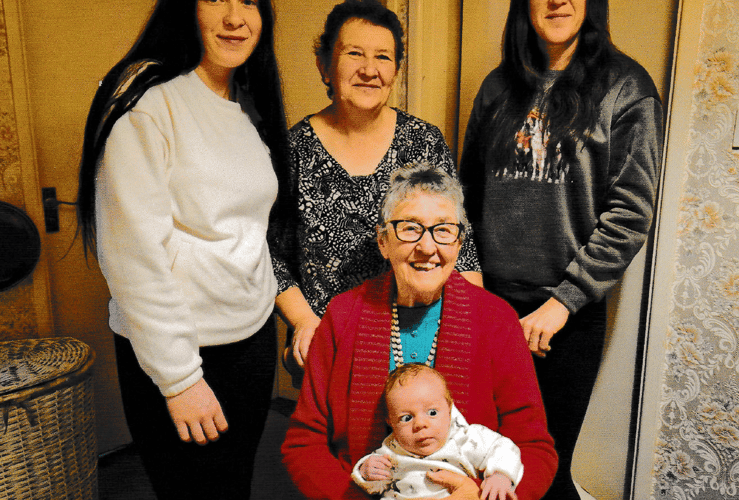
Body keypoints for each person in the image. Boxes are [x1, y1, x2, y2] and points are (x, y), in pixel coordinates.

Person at [75, 0, 293, 498]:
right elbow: (133, 255)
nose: (237, 17)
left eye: (251, 1)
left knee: (234, 485)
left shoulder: (245, 100)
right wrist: (179, 380)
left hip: (250, 338)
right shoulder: (146, 97)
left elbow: (246, 228)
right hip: (186, 353)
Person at [459, 1, 663, 499]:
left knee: (543, 468)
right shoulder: (496, 87)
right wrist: (474, 294)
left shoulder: (627, 88)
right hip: (491, 307)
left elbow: (631, 211)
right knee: (482, 460)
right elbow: (467, 194)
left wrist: (563, 302)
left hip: (564, 319)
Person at [281, 164, 557, 500]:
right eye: (410, 228)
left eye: (443, 230)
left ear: (458, 243)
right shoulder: (342, 316)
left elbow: (533, 447)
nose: (428, 248)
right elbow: (304, 442)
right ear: (383, 242)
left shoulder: (497, 320)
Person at [273, 0, 482, 376]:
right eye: (354, 53)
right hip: (331, 349)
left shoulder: (423, 143)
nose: (369, 70)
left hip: (419, 353)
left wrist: (478, 332)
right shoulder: (294, 151)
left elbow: (460, 247)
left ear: (397, 71)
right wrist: (304, 322)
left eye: (383, 57)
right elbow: (270, 256)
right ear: (324, 65)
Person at [352, 364, 522, 500]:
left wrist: (500, 476)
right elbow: (376, 485)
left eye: (432, 413)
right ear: (390, 423)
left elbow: (503, 447)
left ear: (449, 409)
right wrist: (366, 472)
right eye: (406, 418)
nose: (420, 424)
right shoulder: (392, 450)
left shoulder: (463, 438)